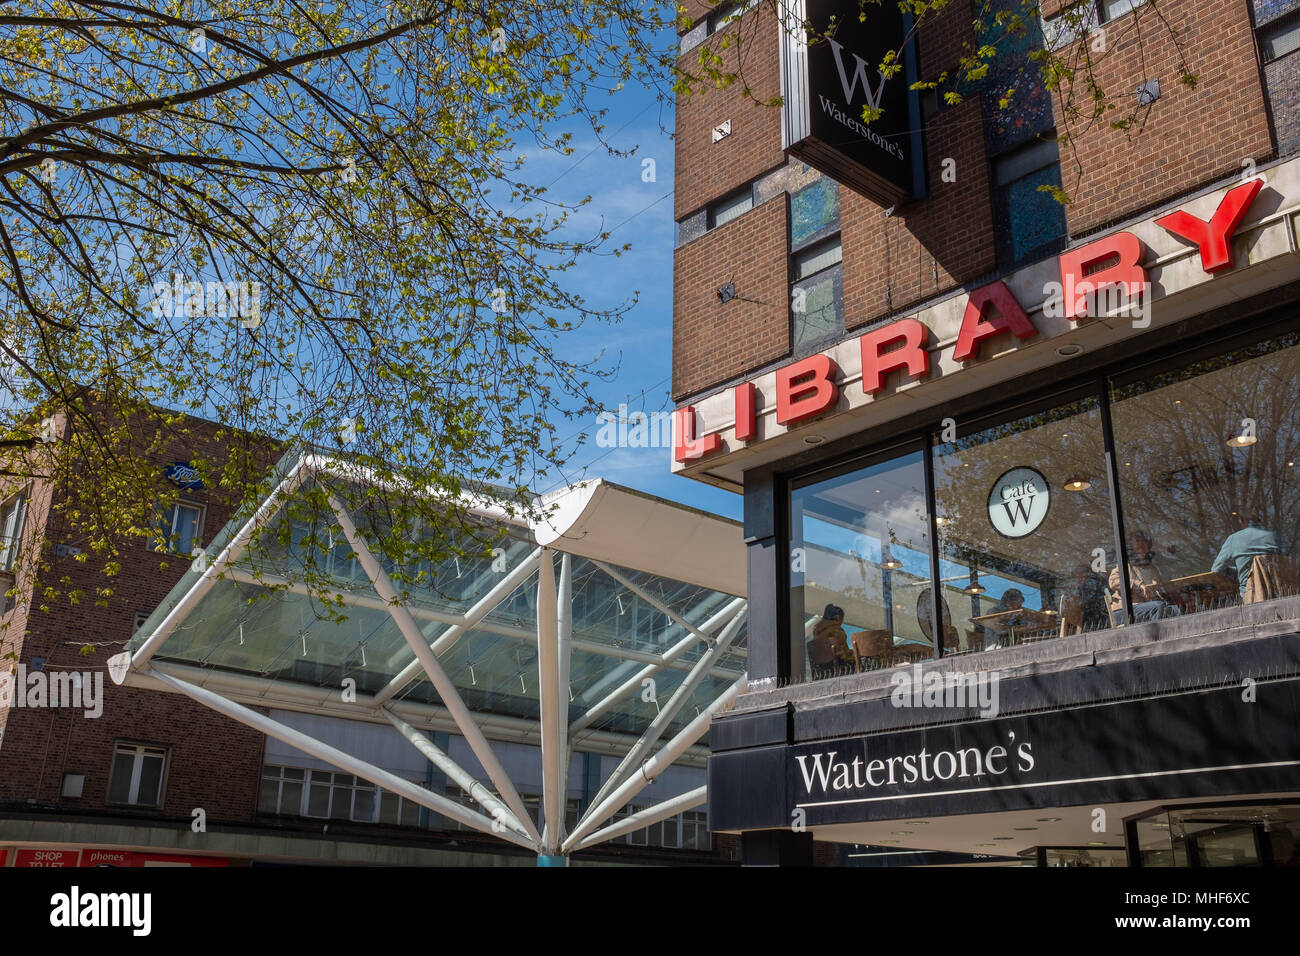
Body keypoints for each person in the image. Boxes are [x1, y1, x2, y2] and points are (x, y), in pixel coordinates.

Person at [1110, 530, 1178, 622]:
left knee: (1175, 609)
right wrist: (1137, 583)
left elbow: (1159, 589)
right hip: (1124, 610)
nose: (1141, 544)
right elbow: (1113, 582)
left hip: (1147, 607)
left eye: (1144, 542)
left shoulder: (1152, 569)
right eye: (1137, 541)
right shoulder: (1125, 565)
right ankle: (1154, 635)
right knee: (1158, 606)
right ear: (1131, 548)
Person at [1212, 514, 1282, 600]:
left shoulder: (1233, 539)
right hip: (1277, 592)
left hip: (1249, 594)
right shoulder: (1274, 536)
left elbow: (1216, 569)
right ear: (1260, 520)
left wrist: (1241, 570)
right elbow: (1284, 564)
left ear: (1242, 521)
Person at [811, 604, 853, 671]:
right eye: (842, 620)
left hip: (822, 669)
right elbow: (844, 654)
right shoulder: (837, 631)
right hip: (838, 666)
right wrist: (854, 653)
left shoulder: (816, 631)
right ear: (838, 618)